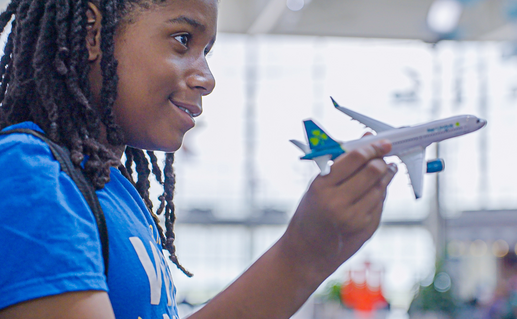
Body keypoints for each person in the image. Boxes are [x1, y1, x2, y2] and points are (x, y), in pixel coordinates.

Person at [0, 0, 398, 318]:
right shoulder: (30, 174)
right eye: (181, 39)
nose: (207, 77)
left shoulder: (117, 194)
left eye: (205, 50)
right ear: (92, 31)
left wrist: (313, 252)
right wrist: (302, 254)